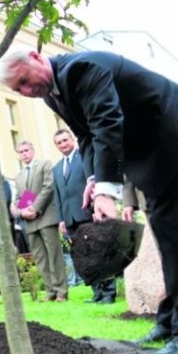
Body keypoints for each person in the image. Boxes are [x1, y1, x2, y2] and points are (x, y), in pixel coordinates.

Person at [0, 47, 178, 354]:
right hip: (151, 153)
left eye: (24, 81)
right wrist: (91, 179)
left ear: (35, 57)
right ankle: (172, 321)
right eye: (19, 89)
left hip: (171, 136)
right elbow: (85, 136)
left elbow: (107, 122)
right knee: (168, 236)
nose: (27, 91)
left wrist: (106, 191)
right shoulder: (53, 93)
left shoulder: (82, 69)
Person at [52, 129, 115, 303]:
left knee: (99, 254)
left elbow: (95, 184)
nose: (63, 144)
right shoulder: (56, 169)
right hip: (70, 219)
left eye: (65, 140)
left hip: (87, 213)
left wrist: (97, 208)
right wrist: (61, 219)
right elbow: (57, 196)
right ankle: (97, 294)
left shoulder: (85, 158)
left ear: (72, 139)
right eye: (59, 142)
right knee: (85, 258)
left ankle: (108, 293)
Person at [11, 140, 68, 302]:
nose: (24, 154)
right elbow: (17, 199)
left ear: (32, 150)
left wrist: (34, 208)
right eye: (21, 152)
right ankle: (50, 291)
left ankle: (61, 291)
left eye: (26, 150)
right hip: (29, 223)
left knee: (54, 255)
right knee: (40, 258)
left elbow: (48, 187)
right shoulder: (19, 176)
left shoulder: (44, 164)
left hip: (46, 217)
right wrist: (20, 212)